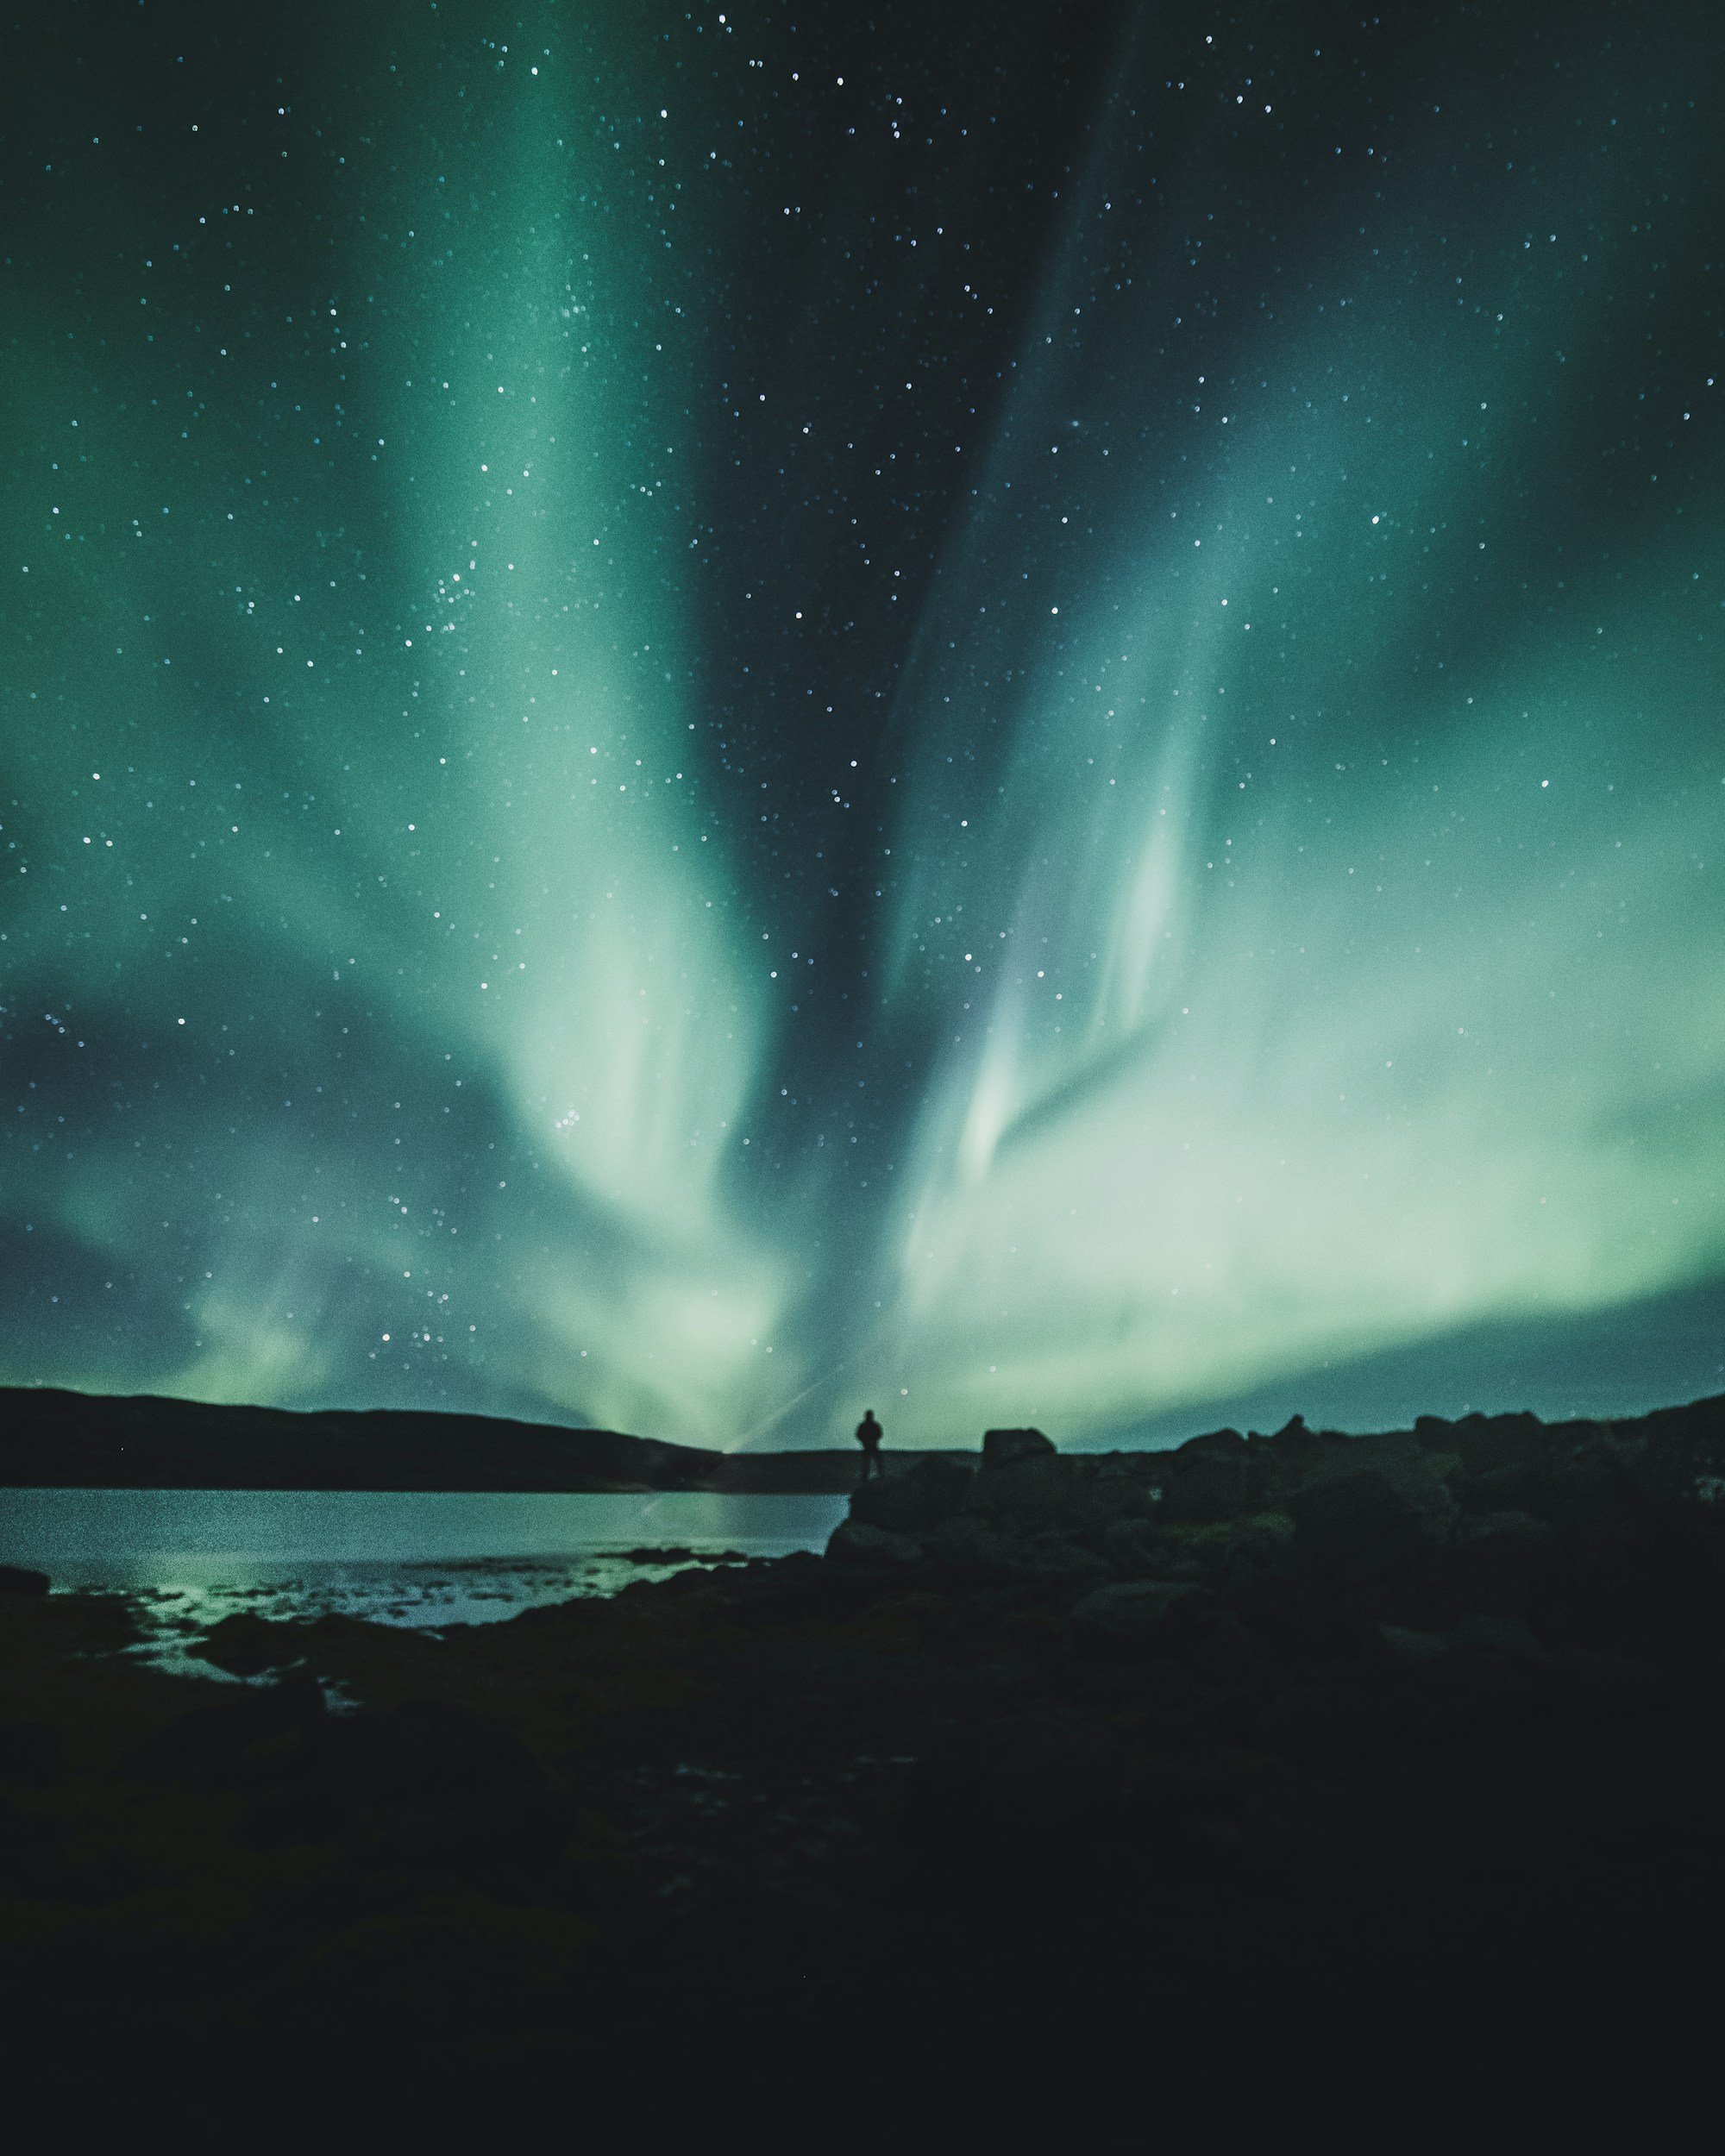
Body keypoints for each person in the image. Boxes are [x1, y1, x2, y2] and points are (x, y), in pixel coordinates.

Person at [854, 1407, 885, 1481]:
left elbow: (879, 1434)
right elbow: (859, 1435)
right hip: (868, 1446)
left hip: (872, 1445)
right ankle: (866, 1477)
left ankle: (879, 1476)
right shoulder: (865, 1426)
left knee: (876, 1461)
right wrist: (866, 1441)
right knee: (867, 1463)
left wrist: (871, 1441)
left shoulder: (870, 1425)